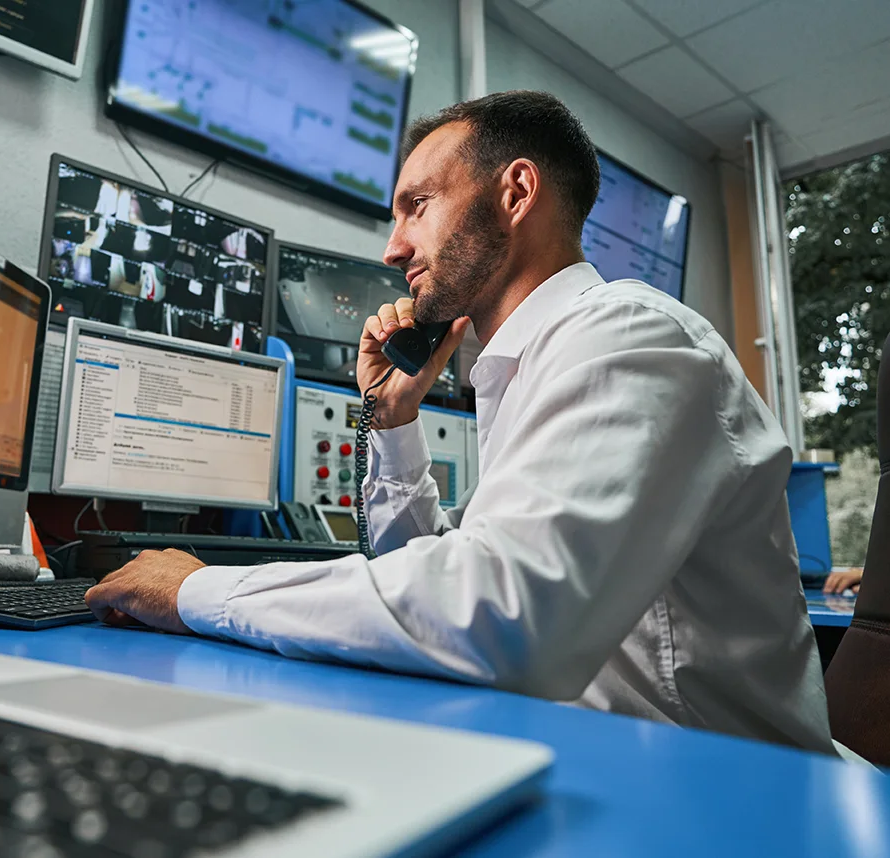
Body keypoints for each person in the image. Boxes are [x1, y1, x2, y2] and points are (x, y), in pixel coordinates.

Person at [85, 91, 833, 753]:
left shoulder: (630, 340)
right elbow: (431, 587)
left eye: (417, 205)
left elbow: (499, 613)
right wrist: (392, 420)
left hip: (717, 796)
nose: (392, 248)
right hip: (608, 755)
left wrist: (199, 591)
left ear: (515, 192)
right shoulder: (528, 366)